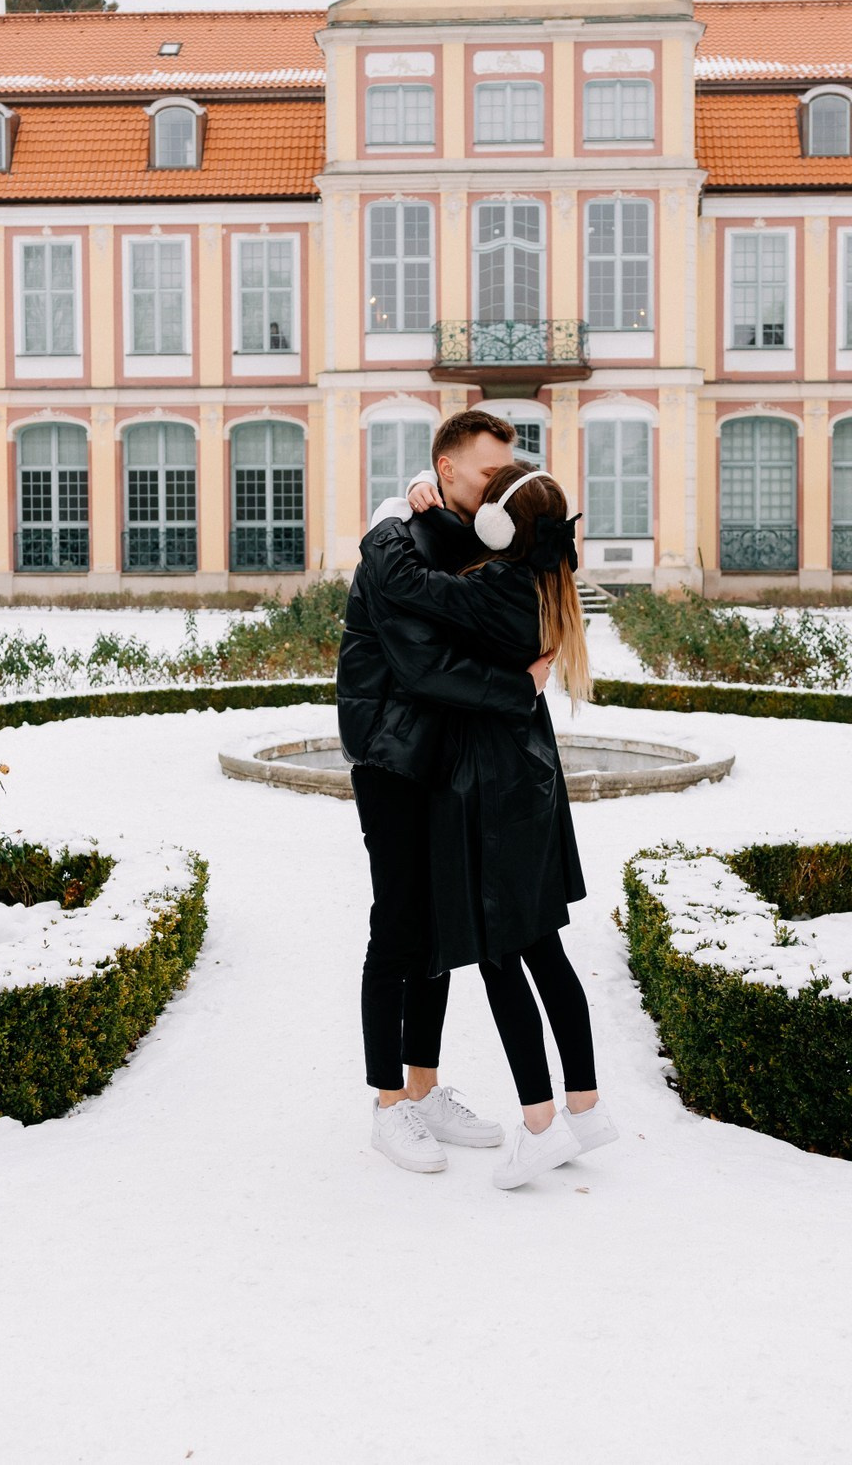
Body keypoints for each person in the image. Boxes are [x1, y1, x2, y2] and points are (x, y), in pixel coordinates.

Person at [356, 464, 614, 1189]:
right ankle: (586, 1107)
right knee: (546, 952)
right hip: (529, 784)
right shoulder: (546, 580)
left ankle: (540, 1126)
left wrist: (388, 517)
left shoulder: (496, 588)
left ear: (500, 527)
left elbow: (410, 584)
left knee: (501, 959)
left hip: (491, 795)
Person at [335, 410, 539, 1174]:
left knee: (437, 927)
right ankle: (388, 1102)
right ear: (447, 470)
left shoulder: (460, 537)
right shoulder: (398, 541)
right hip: (391, 756)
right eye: (490, 474)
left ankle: (422, 1087)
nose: (501, 487)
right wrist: (518, 689)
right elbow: (424, 668)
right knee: (398, 926)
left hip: (440, 755)